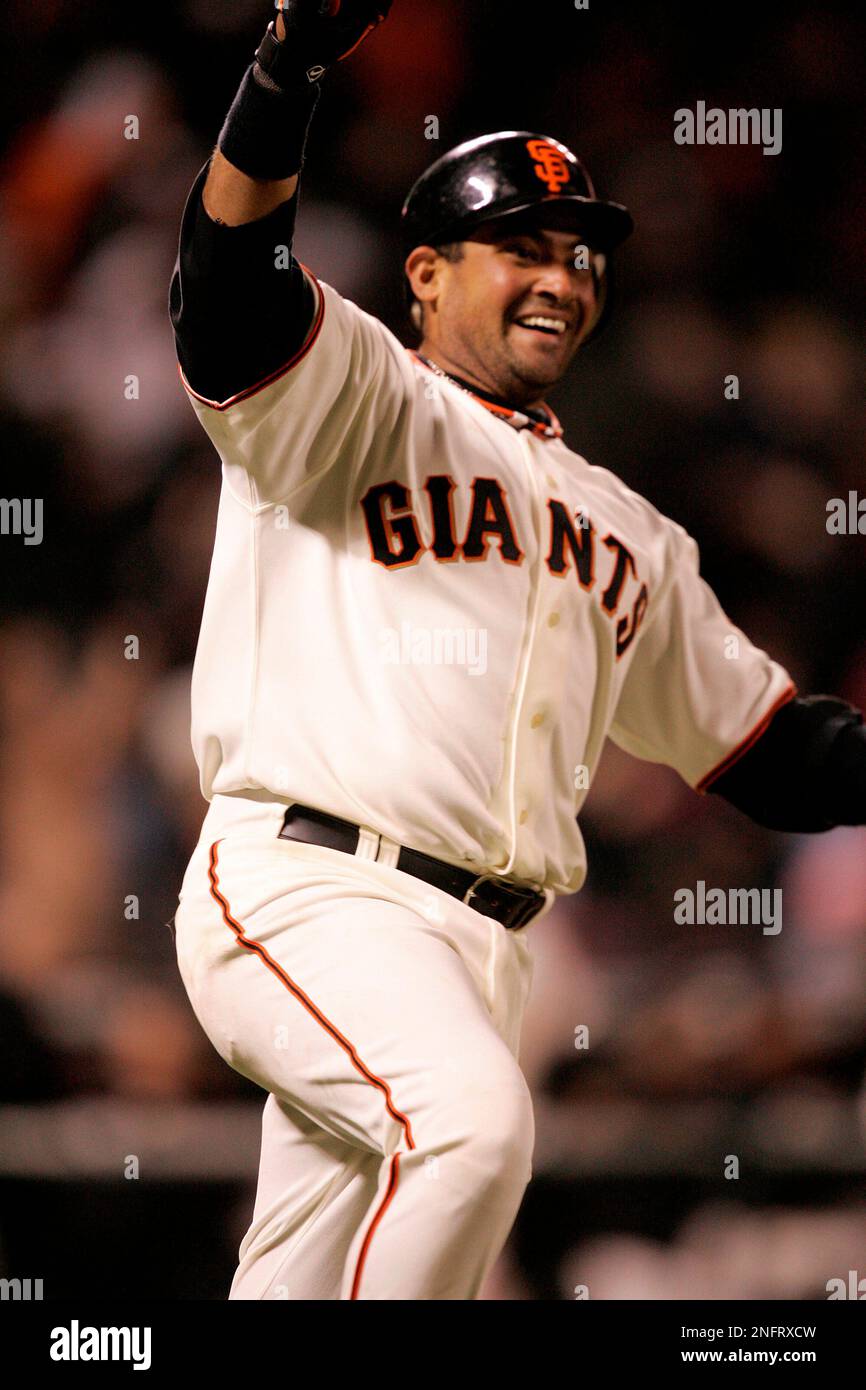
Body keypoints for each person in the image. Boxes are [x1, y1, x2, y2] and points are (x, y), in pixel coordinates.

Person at [168, 0, 866, 1300]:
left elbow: (776, 752)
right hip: (315, 884)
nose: (558, 274)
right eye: (517, 247)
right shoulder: (361, 395)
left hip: (483, 949)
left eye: (578, 253)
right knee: (471, 1129)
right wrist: (284, 73)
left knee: (297, 1278)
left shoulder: (624, 528)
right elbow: (223, 288)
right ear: (424, 273)